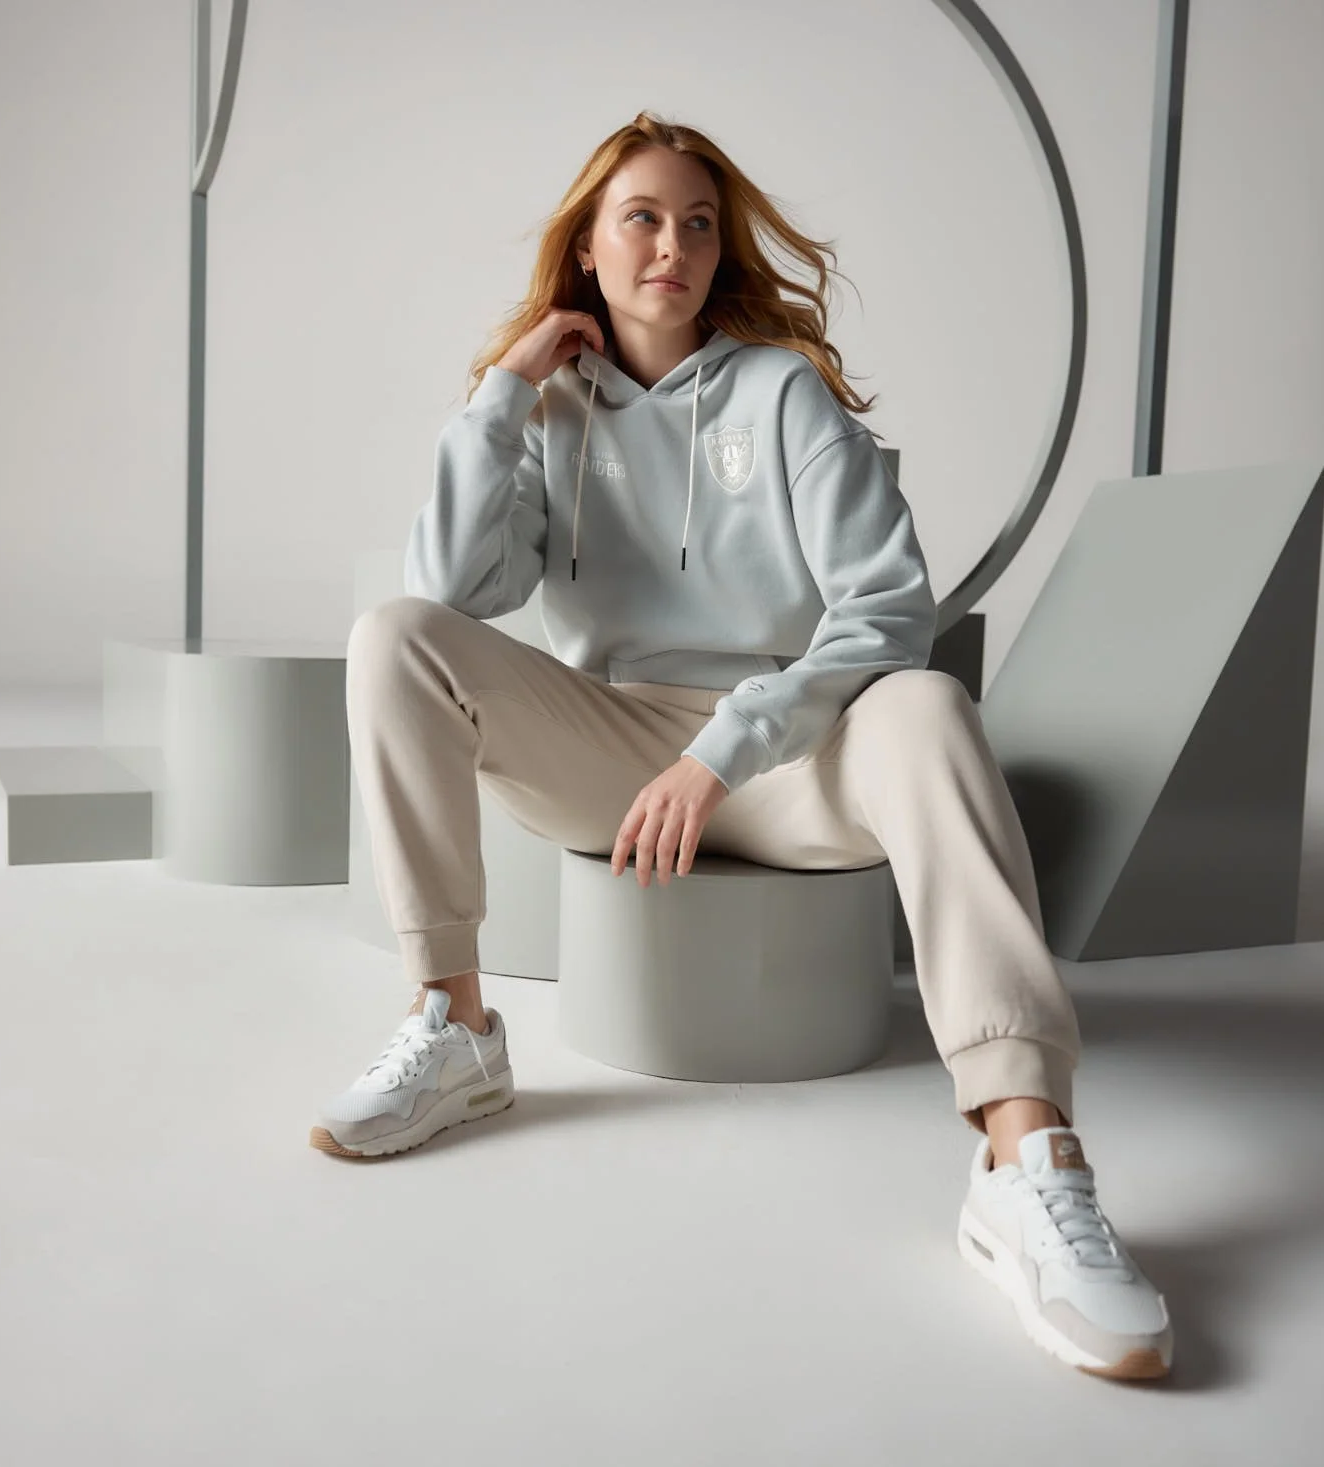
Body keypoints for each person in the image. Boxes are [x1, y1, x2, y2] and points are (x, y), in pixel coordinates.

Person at [314, 111, 1172, 1381]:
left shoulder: (784, 394)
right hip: (609, 750)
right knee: (392, 635)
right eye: (642, 219)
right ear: (590, 253)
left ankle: (1026, 1155)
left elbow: (884, 610)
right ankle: (453, 1024)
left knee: (927, 705)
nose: (674, 243)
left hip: (788, 756)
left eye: (699, 222)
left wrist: (727, 745)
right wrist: (502, 394)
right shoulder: (551, 413)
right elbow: (450, 590)